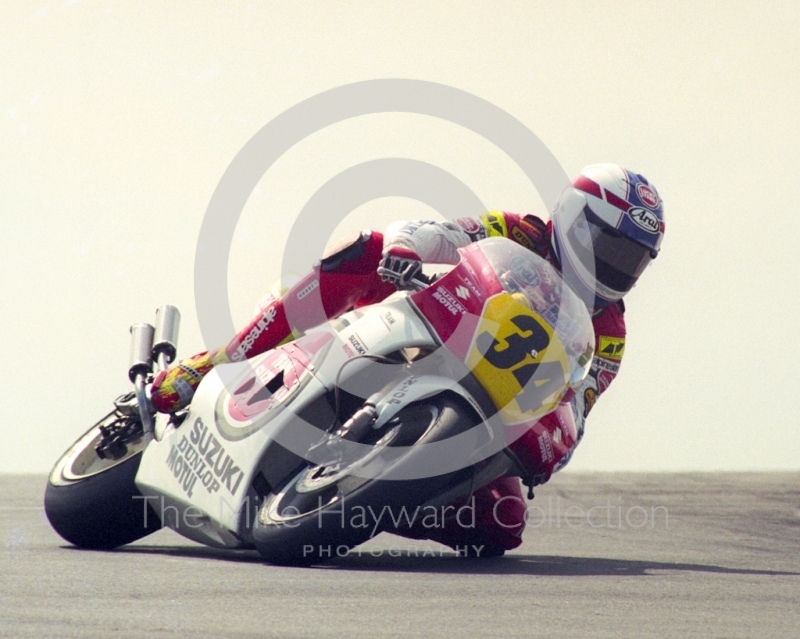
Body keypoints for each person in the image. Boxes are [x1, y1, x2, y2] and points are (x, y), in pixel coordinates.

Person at [150, 163, 665, 555]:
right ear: (576, 223)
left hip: (487, 417)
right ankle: (215, 362)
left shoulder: (611, 334)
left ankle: (375, 500)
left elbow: (580, 404)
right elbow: (436, 232)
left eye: (633, 261)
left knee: (504, 522)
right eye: (611, 249)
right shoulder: (516, 231)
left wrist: (557, 440)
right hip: (421, 327)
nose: (619, 269)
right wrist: (405, 249)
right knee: (363, 251)